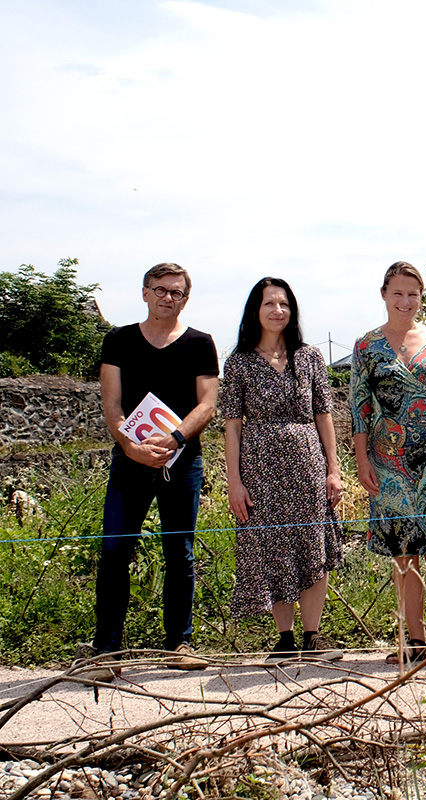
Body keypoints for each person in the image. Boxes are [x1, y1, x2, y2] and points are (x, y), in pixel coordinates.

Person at [75, 263, 219, 682]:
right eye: (159, 289)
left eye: (176, 292)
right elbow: (112, 402)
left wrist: (174, 439)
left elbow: (207, 403)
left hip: (182, 461)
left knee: (181, 553)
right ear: (144, 293)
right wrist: (129, 445)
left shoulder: (200, 343)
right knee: (116, 549)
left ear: (185, 298)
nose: (167, 297)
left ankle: (179, 643)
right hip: (130, 460)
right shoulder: (118, 340)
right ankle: (106, 649)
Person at [220, 277, 344, 662]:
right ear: (254, 311)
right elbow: (232, 426)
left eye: (284, 304)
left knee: (313, 544)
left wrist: (334, 469)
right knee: (272, 547)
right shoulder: (238, 362)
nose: (278, 311)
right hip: (259, 469)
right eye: (269, 304)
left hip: (307, 465)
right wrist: (234, 483)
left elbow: (324, 416)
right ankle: (285, 639)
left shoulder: (309, 357)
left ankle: (313, 636)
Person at [352, 261, 426, 668]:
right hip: (387, 464)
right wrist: (362, 457)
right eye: (398, 293)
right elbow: (359, 407)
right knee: (404, 552)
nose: (406, 301)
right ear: (384, 294)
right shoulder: (366, 346)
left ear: (422, 297)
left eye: (413, 294)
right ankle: (412, 639)